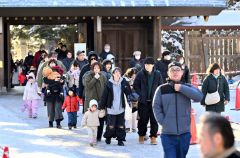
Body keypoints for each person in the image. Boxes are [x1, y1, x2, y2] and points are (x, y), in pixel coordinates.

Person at [153, 61, 203, 158]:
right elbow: (156, 107)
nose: (175, 72)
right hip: (167, 134)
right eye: (172, 70)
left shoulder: (187, 87)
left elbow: (199, 97)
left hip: (184, 134)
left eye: (178, 70)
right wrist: (164, 122)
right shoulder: (162, 89)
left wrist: (181, 88)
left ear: (182, 72)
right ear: (168, 73)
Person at [133, 57, 163, 145]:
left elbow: (160, 86)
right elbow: (135, 85)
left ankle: (153, 137)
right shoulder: (140, 74)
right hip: (143, 101)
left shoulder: (157, 74)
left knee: (154, 120)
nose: (147, 66)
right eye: (146, 65)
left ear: (152, 65)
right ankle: (141, 135)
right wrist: (140, 94)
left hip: (154, 101)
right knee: (143, 119)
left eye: (149, 65)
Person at [99, 67, 131, 146]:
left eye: (119, 73)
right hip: (111, 109)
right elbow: (104, 96)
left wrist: (132, 96)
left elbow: (128, 92)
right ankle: (108, 137)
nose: (118, 74)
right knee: (111, 126)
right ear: (113, 74)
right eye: (116, 72)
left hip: (121, 108)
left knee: (121, 126)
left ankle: (120, 140)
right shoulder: (108, 83)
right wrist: (101, 106)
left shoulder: (123, 82)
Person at [82, 62, 107, 141]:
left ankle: (99, 136)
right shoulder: (88, 76)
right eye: (95, 68)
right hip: (92, 100)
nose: (96, 70)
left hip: (101, 100)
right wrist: (95, 78)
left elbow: (106, 87)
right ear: (92, 69)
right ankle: (93, 135)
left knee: (101, 118)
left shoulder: (103, 76)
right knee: (92, 119)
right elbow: (88, 86)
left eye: (98, 68)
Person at [42, 60, 65, 128]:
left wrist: (62, 81)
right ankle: (50, 122)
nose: (52, 64)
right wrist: (54, 81)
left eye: (53, 63)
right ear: (49, 64)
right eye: (51, 63)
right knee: (50, 108)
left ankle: (58, 123)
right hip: (49, 92)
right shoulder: (47, 72)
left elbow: (62, 82)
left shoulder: (59, 71)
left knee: (58, 107)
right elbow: (45, 81)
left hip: (58, 91)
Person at [123, 68, 138, 133]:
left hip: (135, 98)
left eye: (135, 74)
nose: (134, 75)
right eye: (133, 73)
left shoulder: (137, 80)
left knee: (134, 113)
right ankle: (127, 127)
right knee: (127, 112)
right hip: (127, 97)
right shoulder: (125, 80)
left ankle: (134, 127)